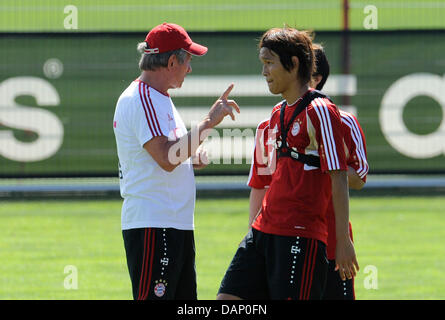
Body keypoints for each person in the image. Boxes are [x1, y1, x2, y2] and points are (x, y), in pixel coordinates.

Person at [217, 27, 358, 300]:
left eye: (269, 63)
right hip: (262, 232)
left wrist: (342, 241)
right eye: (263, 63)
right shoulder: (277, 112)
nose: (264, 71)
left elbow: (339, 178)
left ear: (293, 64)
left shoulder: (321, 112)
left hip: (300, 236)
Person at [113, 22, 240, 300]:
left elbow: (168, 156)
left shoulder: (159, 98)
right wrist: (209, 122)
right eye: (187, 61)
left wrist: (190, 160)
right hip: (154, 224)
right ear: (172, 61)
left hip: (173, 224)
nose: (189, 69)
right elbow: (167, 158)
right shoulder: (140, 99)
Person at [246, 43, 369, 300]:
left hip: (332, 242)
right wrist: (255, 241)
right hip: (281, 238)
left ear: (316, 78)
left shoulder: (342, 121)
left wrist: (320, 159)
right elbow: (261, 183)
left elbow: (358, 177)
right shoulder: (269, 124)